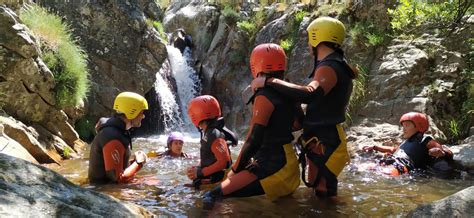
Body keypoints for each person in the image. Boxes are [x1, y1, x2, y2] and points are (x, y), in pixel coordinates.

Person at [251, 17, 356, 199]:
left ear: (317, 38)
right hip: (322, 137)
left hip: (327, 138)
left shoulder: (330, 66)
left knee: (323, 191)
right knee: (317, 192)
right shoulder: (336, 63)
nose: (308, 45)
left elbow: (310, 93)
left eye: (309, 39)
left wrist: (269, 81)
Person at [202, 43, 301, 209]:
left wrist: (235, 168)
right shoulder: (288, 90)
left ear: (256, 65)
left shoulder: (264, 96)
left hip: (275, 166)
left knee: (212, 196)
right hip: (290, 164)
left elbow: (253, 140)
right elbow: (299, 123)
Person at [362, 112, 454, 176]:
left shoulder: (426, 140)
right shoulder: (405, 142)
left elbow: (446, 151)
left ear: (419, 126)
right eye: (403, 126)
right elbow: (392, 149)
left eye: (407, 125)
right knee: (363, 168)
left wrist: (441, 153)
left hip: (403, 166)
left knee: (383, 174)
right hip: (392, 161)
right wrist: (374, 147)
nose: (404, 129)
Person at [88, 92, 149, 184]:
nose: (143, 116)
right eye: (141, 112)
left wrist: (134, 162)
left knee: (153, 181)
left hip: (108, 186)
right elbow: (118, 178)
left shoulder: (117, 132)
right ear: (131, 112)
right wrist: (139, 163)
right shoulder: (113, 137)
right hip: (104, 190)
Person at [186, 95, 237, 189]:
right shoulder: (210, 131)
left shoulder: (214, 134)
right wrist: (198, 167)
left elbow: (224, 163)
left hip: (216, 179)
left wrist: (200, 172)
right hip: (212, 176)